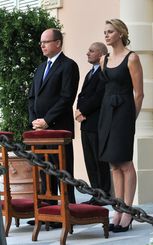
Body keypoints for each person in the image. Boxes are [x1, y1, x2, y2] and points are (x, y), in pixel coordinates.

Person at [98, 19, 144, 233]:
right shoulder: (103, 59)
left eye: (110, 32)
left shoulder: (132, 57)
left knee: (125, 163)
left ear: (121, 33)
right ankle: (117, 208)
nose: (106, 35)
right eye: (105, 32)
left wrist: (130, 119)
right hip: (107, 113)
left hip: (124, 113)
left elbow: (139, 93)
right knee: (113, 164)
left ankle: (128, 212)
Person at [28, 28, 80, 206]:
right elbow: (32, 97)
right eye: (41, 42)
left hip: (58, 128)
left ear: (57, 43)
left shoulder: (68, 65)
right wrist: (34, 120)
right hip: (39, 130)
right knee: (44, 171)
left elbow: (67, 97)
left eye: (46, 41)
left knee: (63, 171)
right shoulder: (41, 67)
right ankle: (46, 211)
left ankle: (68, 209)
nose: (42, 45)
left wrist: (47, 120)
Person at [75, 42, 111, 205]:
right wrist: (77, 110)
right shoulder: (90, 73)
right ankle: (95, 193)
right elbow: (82, 95)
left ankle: (104, 193)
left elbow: (99, 96)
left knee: (99, 160)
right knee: (90, 160)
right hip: (86, 124)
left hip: (96, 122)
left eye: (91, 51)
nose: (87, 53)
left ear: (101, 54)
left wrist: (83, 111)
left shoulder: (104, 72)